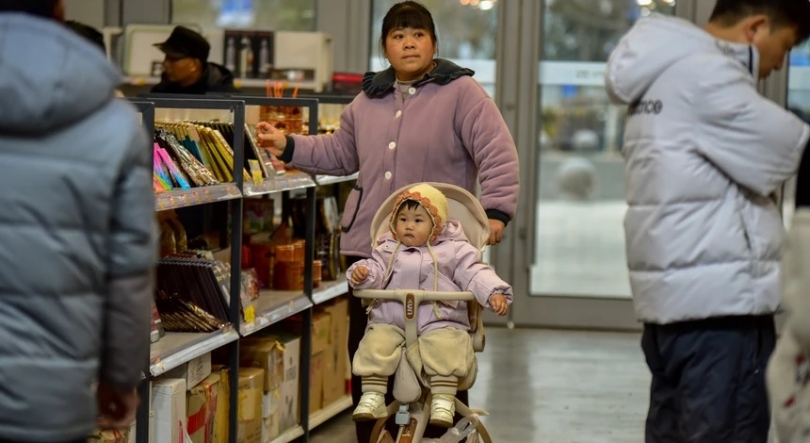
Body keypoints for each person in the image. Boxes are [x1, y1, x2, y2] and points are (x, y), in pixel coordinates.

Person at [256, 2, 519, 440]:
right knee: (371, 355)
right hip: (374, 248)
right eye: (398, 36)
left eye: (418, 34)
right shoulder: (368, 99)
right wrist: (287, 145)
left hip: (440, 254)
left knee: (441, 357)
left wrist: (495, 214)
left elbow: (497, 153)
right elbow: (339, 154)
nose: (408, 43)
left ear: (434, 44)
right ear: (385, 47)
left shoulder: (462, 93)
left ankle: (445, 437)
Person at [604, 0, 810, 441]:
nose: (778, 65)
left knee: (673, 430)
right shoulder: (706, 72)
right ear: (756, 28)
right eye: (785, 46)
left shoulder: (661, 71)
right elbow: (788, 147)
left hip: (674, 306)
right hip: (722, 310)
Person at [0, 1, 156, 442]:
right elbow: (127, 270)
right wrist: (121, 374)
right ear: (59, 11)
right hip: (48, 397)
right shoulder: (113, 123)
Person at [347, 183, 511, 427]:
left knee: (447, 345)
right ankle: (373, 394)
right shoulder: (387, 248)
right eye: (402, 219)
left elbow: (475, 274)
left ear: (437, 225)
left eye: (417, 220)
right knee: (374, 342)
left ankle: (443, 397)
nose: (408, 225)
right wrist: (363, 273)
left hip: (439, 319)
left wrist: (494, 292)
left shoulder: (454, 250)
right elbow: (377, 271)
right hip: (392, 320)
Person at [151, 25, 236, 95]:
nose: (165, 63)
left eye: (173, 59)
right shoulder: (160, 93)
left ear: (194, 65)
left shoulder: (227, 98)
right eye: (166, 58)